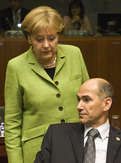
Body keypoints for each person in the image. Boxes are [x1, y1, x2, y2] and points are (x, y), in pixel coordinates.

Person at [4, 6, 89, 163]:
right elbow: (12, 122)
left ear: (58, 36)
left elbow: (90, 102)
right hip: (37, 151)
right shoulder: (15, 67)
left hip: (77, 146)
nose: (46, 45)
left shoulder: (74, 54)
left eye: (51, 38)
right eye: (39, 39)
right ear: (28, 38)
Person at [34, 78, 121, 163]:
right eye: (78, 100)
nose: (78, 106)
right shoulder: (56, 135)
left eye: (86, 99)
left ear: (106, 104)